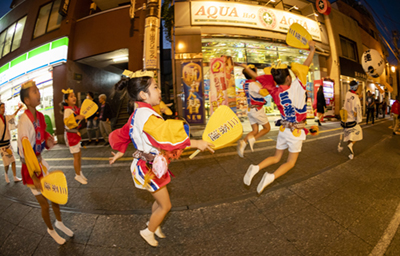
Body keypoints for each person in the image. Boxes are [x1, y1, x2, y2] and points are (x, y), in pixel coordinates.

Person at [109, 71, 213, 247]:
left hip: (149, 165)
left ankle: (154, 224)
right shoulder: (146, 115)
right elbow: (166, 136)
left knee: (160, 201)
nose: (159, 91)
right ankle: (148, 231)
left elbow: (126, 132)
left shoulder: (140, 112)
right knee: (166, 206)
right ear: (143, 94)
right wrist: (196, 143)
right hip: (148, 168)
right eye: (155, 87)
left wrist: (120, 150)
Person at [241, 40, 316, 194]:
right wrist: (312, 50)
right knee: (290, 162)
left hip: (284, 130)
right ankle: (270, 177)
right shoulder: (297, 87)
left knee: (276, 157)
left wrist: (246, 68)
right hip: (295, 131)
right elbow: (305, 66)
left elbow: (257, 77)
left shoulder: (275, 91)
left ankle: (256, 167)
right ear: (289, 78)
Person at [18, 81, 73, 245]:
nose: (38, 93)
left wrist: (49, 138)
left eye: (38, 90)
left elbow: (42, 133)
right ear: (27, 100)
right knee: (44, 204)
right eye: (34, 92)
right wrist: (34, 175)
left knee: (54, 196)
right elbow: (25, 147)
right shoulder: (23, 120)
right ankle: (50, 230)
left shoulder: (40, 116)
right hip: (30, 168)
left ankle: (59, 223)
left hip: (40, 163)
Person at [237, 64, 271, 157]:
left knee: (255, 130)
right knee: (267, 128)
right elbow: (264, 93)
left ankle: (243, 142)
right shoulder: (254, 84)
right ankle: (253, 139)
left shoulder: (246, 84)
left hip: (250, 110)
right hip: (257, 109)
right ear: (253, 73)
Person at [61, 88, 87, 185]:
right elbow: (68, 122)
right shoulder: (67, 110)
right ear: (66, 100)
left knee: (79, 155)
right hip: (70, 135)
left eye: (74, 96)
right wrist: (77, 117)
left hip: (74, 134)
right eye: (71, 96)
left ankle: (80, 173)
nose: (74, 98)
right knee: (76, 156)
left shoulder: (74, 108)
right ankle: (77, 175)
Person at [338, 81, 363, 159]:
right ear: (356, 88)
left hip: (345, 120)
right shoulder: (355, 98)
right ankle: (351, 145)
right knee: (359, 133)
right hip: (352, 121)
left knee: (349, 136)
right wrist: (358, 119)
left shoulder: (347, 94)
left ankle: (351, 154)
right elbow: (356, 110)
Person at [0, 103, 22, 183]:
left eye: (4, 107)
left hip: (8, 143)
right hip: (1, 145)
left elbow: (13, 115)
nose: (3, 109)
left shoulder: (6, 117)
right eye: (2, 107)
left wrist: (18, 109)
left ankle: (15, 176)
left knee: (13, 160)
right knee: (6, 163)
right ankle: (6, 174)